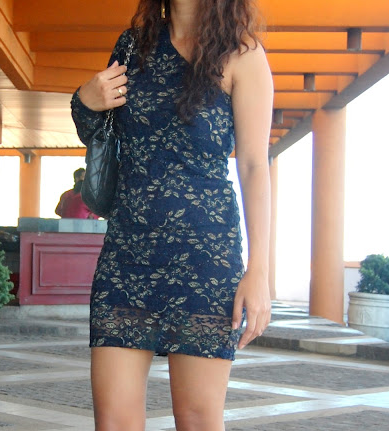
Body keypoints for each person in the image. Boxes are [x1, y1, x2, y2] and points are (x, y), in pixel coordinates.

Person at [71, 0, 272, 429]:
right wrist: (85, 100)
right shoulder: (132, 46)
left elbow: (255, 166)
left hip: (205, 261)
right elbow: (101, 131)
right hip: (128, 255)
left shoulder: (242, 53)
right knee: (113, 420)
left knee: (197, 418)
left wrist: (259, 271)